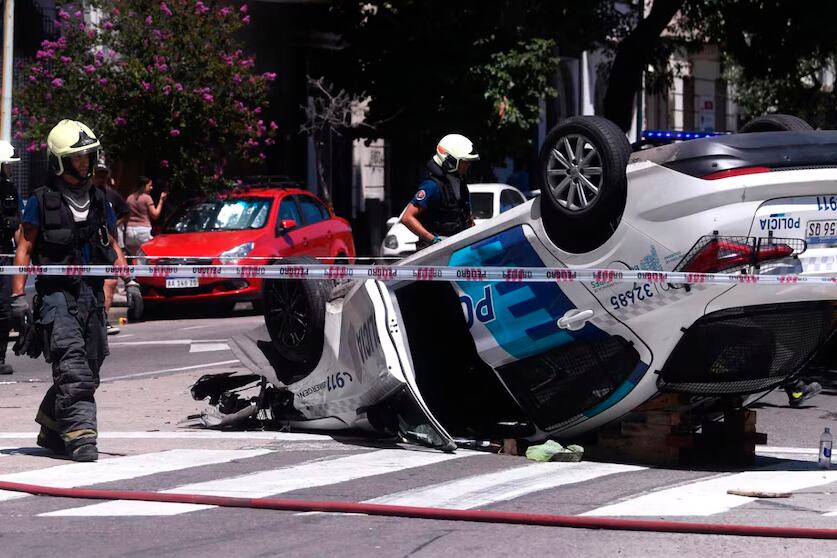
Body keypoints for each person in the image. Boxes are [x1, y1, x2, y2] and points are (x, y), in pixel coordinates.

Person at [11, 119, 127, 462]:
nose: (85, 163)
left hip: (90, 295)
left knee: (89, 370)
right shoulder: (40, 201)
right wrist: (18, 296)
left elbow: (112, 244)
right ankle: (80, 439)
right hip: (56, 297)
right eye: (78, 158)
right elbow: (25, 248)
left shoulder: (99, 198)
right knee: (72, 368)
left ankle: (51, 427)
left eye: (88, 156)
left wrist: (119, 280)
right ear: (61, 162)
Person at [400, 134, 479, 249]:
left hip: (457, 249)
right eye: (464, 161)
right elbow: (407, 218)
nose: (468, 164)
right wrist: (434, 241)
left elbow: (468, 218)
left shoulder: (461, 185)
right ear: (450, 160)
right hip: (434, 254)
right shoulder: (432, 186)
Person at [94, 164, 129, 335]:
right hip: (88, 250)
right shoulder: (84, 196)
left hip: (109, 243)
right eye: (98, 175)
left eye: (103, 175)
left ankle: (103, 319)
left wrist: (128, 278)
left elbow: (124, 212)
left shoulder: (110, 196)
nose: (101, 178)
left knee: (110, 283)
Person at [0, 140, 22, 375]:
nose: (9, 169)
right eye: (6, 165)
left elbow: (18, 225)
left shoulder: (10, 189)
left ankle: (0, 357)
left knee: (4, 309)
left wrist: (23, 255)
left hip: (4, 255)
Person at [124, 175, 166, 256]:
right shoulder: (147, 198)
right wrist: (161, 200)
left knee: (133, 258)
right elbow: (155, 215)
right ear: (143, 186)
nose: (151, 188)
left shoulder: (129, 198)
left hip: (130, 230)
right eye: (149, 185)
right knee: (143, 258)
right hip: (143, 230)